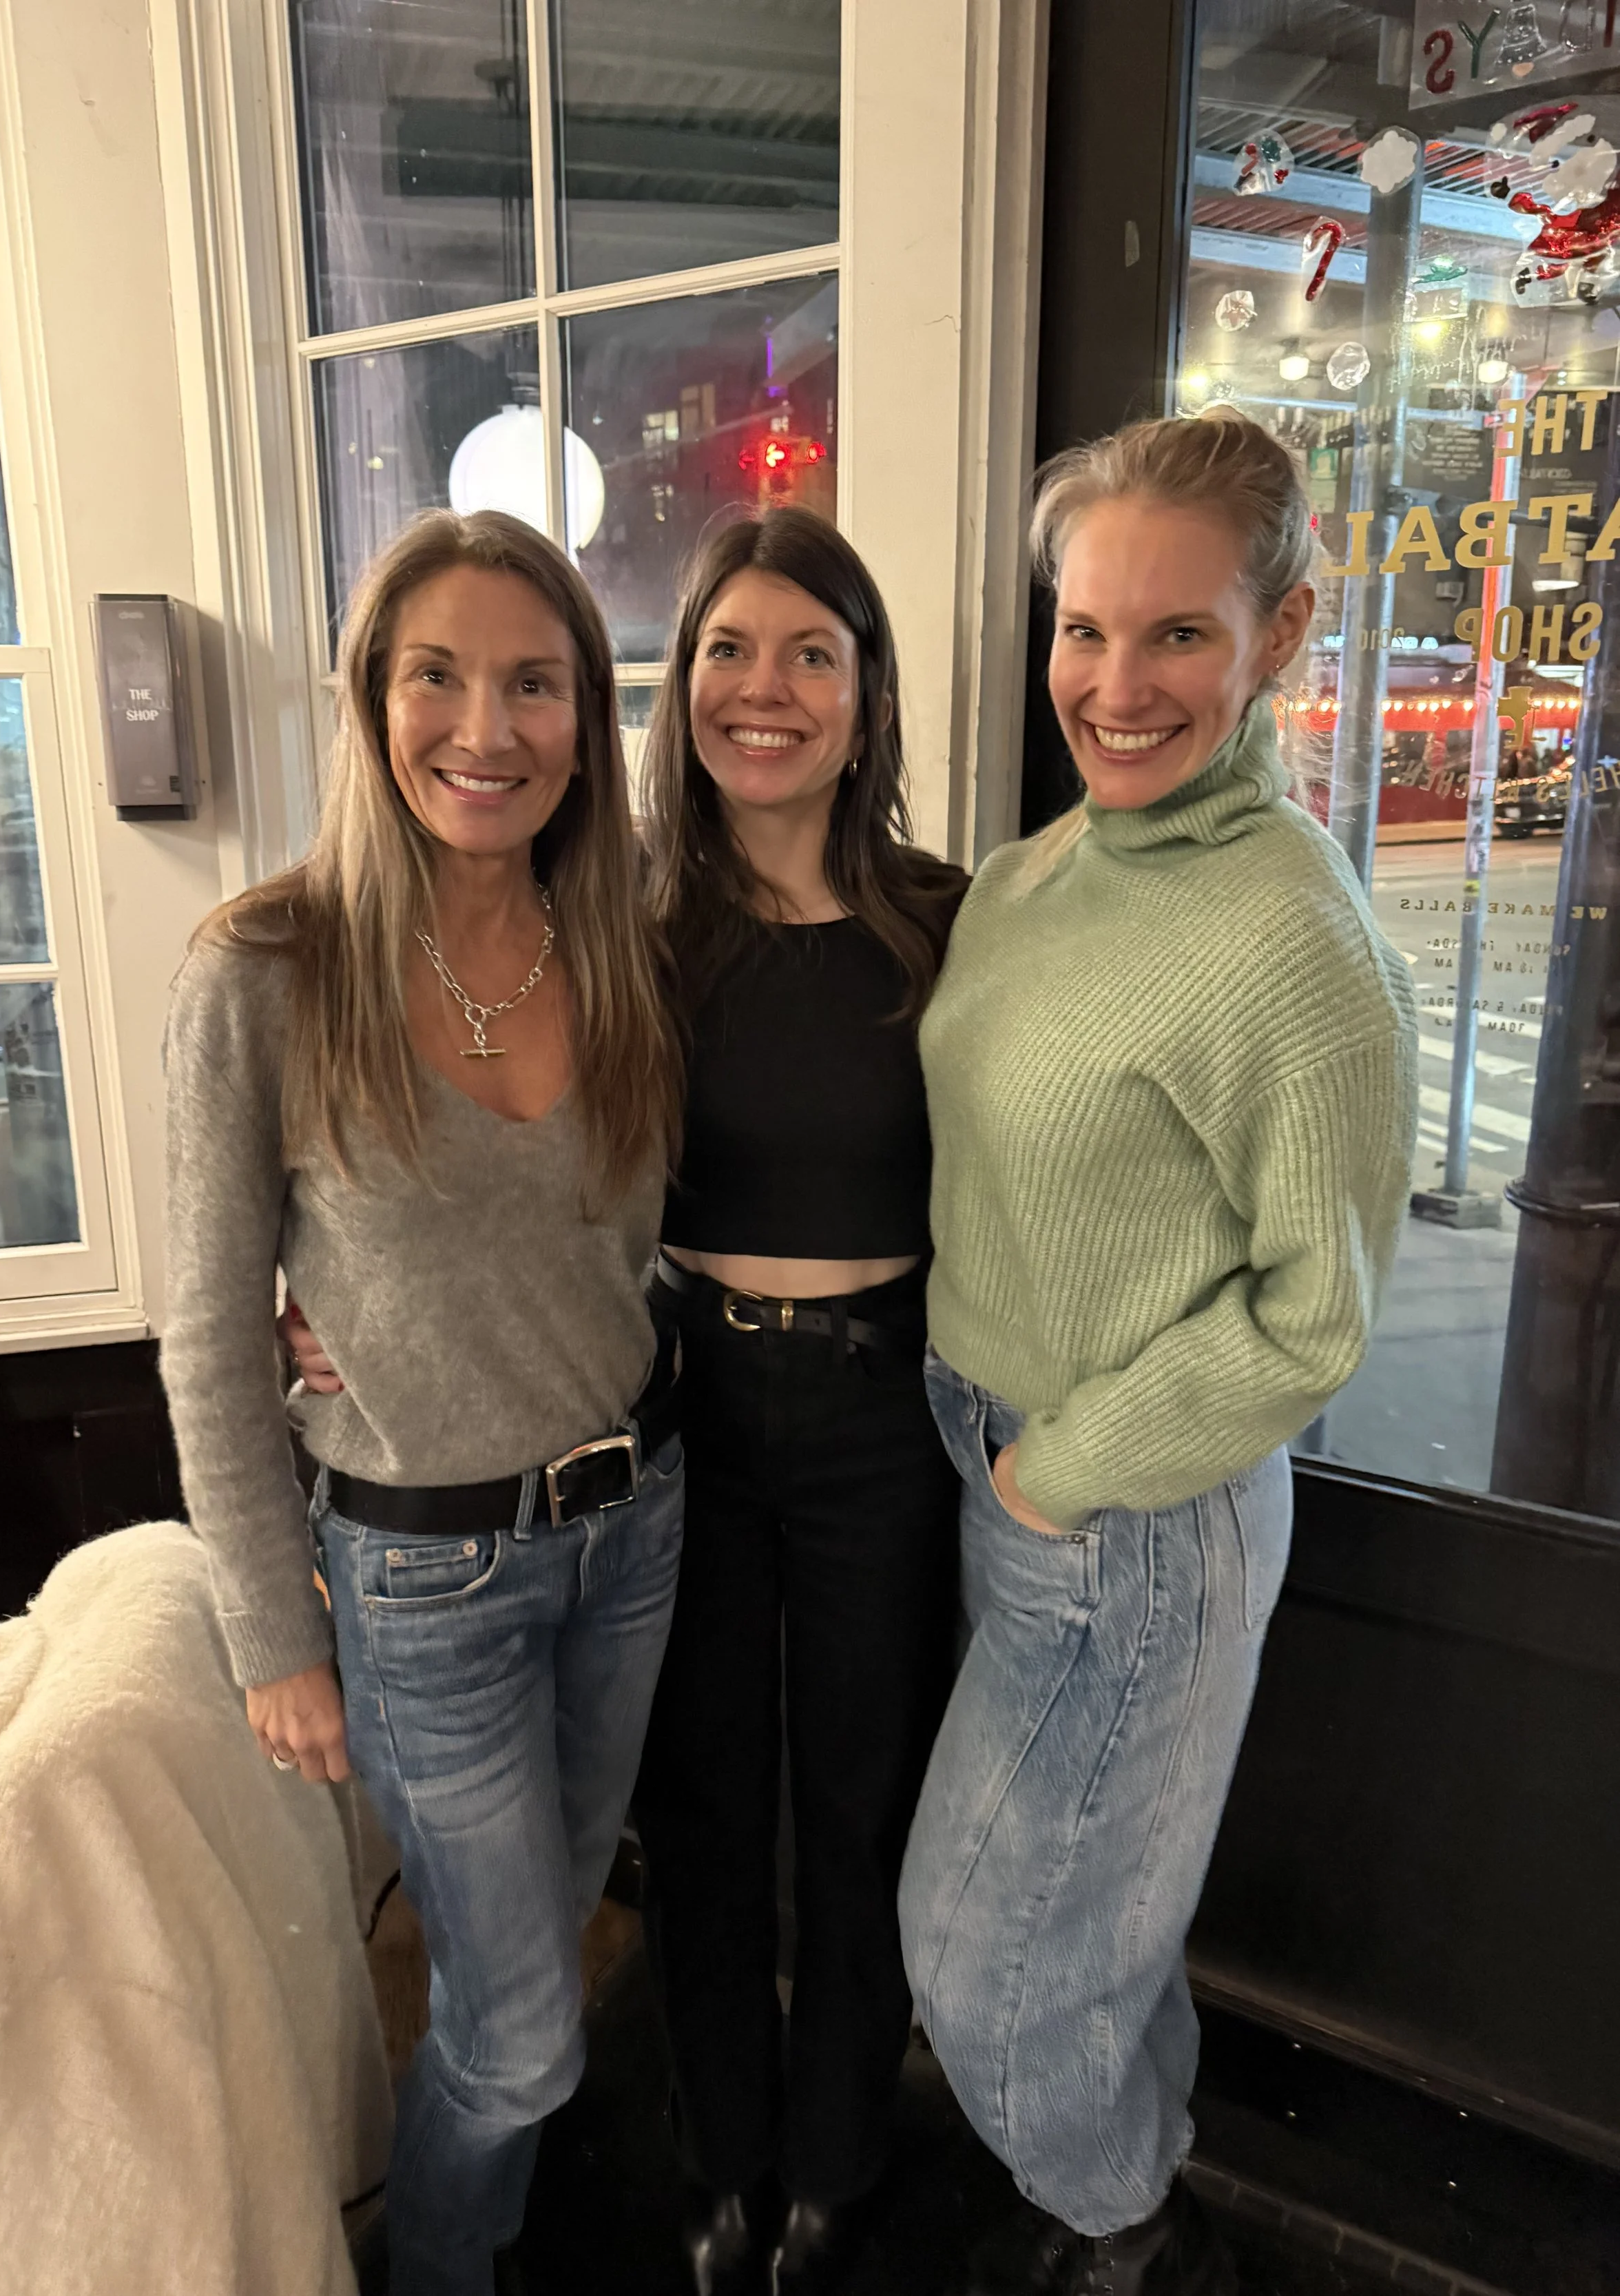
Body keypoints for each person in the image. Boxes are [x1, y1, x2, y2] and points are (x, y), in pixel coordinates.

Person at [900, 414, 1418, 2296]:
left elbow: (1314, 1313)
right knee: (1089, 1933)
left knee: (978, 1957)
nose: (1114, 688)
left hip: (1129, 1514)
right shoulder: (1044, 870)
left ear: (1280, 633)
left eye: (1177, 634)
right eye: (1083, 630)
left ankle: (1127, 2231)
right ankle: (1120, 2175)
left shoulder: (1290, 939)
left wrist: (1058, 1474)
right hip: (1008, 1464)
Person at [161, 508, 683, 2296]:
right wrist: (270, 1632)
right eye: (437, 675)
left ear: (585, 713)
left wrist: (391, 1315)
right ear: (371, 697)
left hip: (631, 1536)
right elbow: (206, 1330)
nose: (486, 727)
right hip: (417, 1584)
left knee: (544, 1970)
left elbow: (632, 1254)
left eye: (534, 682)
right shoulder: (265, 971)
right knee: (524, 2031)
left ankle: (496, 2234)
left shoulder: (620, 946)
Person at [633, 508, 966, 2296]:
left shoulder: (949, 923)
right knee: (698, 1809)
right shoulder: (622, 921)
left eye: (809, 653)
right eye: (729, 649)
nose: (763, 690)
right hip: (681, 1402)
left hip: (881, 1416)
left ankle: (837, 2153)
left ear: (865, 690)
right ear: (682, 679)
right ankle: (721, 2157)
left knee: (862, 1800)